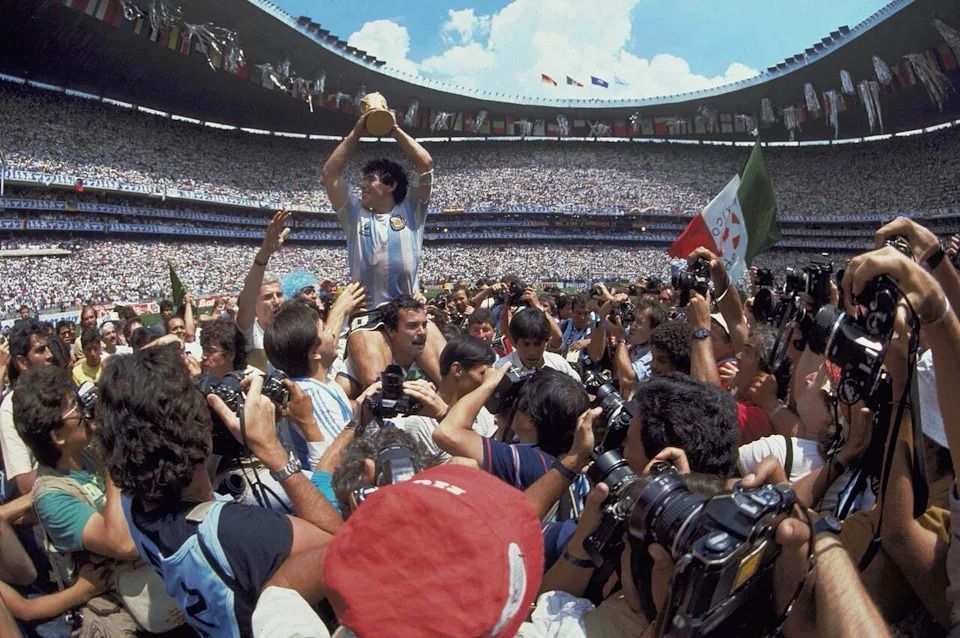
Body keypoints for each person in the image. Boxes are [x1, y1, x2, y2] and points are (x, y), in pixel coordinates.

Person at [97, 344, 341, 636]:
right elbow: (340, 549)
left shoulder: (135, 507)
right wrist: (271, 450)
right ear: (197, 426)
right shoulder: (235, 532)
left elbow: (184, 476)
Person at [320, 111, 448, 390]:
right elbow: (330, 173)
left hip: (409, 312)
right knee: (378, 389)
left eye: (371, 180)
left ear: (390, 185)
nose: (362, 185)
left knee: (449, 378)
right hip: (369, 316)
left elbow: (425, 164)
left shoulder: (412, 208)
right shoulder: (354, 214)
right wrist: (357, 132)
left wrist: (392, 129)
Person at [394, 335, 499, 462]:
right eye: (483, 373)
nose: (488, 380)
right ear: (458, 370)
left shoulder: (483, 413)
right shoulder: (422, 423)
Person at [336, 294, 435, 398]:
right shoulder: (358, 365)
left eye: (424, 325)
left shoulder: (430, 362)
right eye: (412, 326)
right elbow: (337, 404)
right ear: (391, 330)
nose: (422, 332)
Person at [1, 319, 54, 497]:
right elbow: (25, 485)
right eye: (40, 350)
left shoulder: (59, 391)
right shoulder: (10, 409)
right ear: (22, 362)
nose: (49, 355)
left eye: (47, 347)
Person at [236, 209, 290, 372]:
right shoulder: (249, 332)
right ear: (255, 304)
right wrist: (264, 255)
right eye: (268, 296)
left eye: (279, 294)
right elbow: (248, 293)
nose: (276, 301)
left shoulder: (292, 329)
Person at [493, 307, 580, 381]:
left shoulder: (559, 365)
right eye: (526, 344)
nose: (532, 352)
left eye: (537, 344)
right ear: (515, 343)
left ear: (546, 341)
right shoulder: (500, 370)